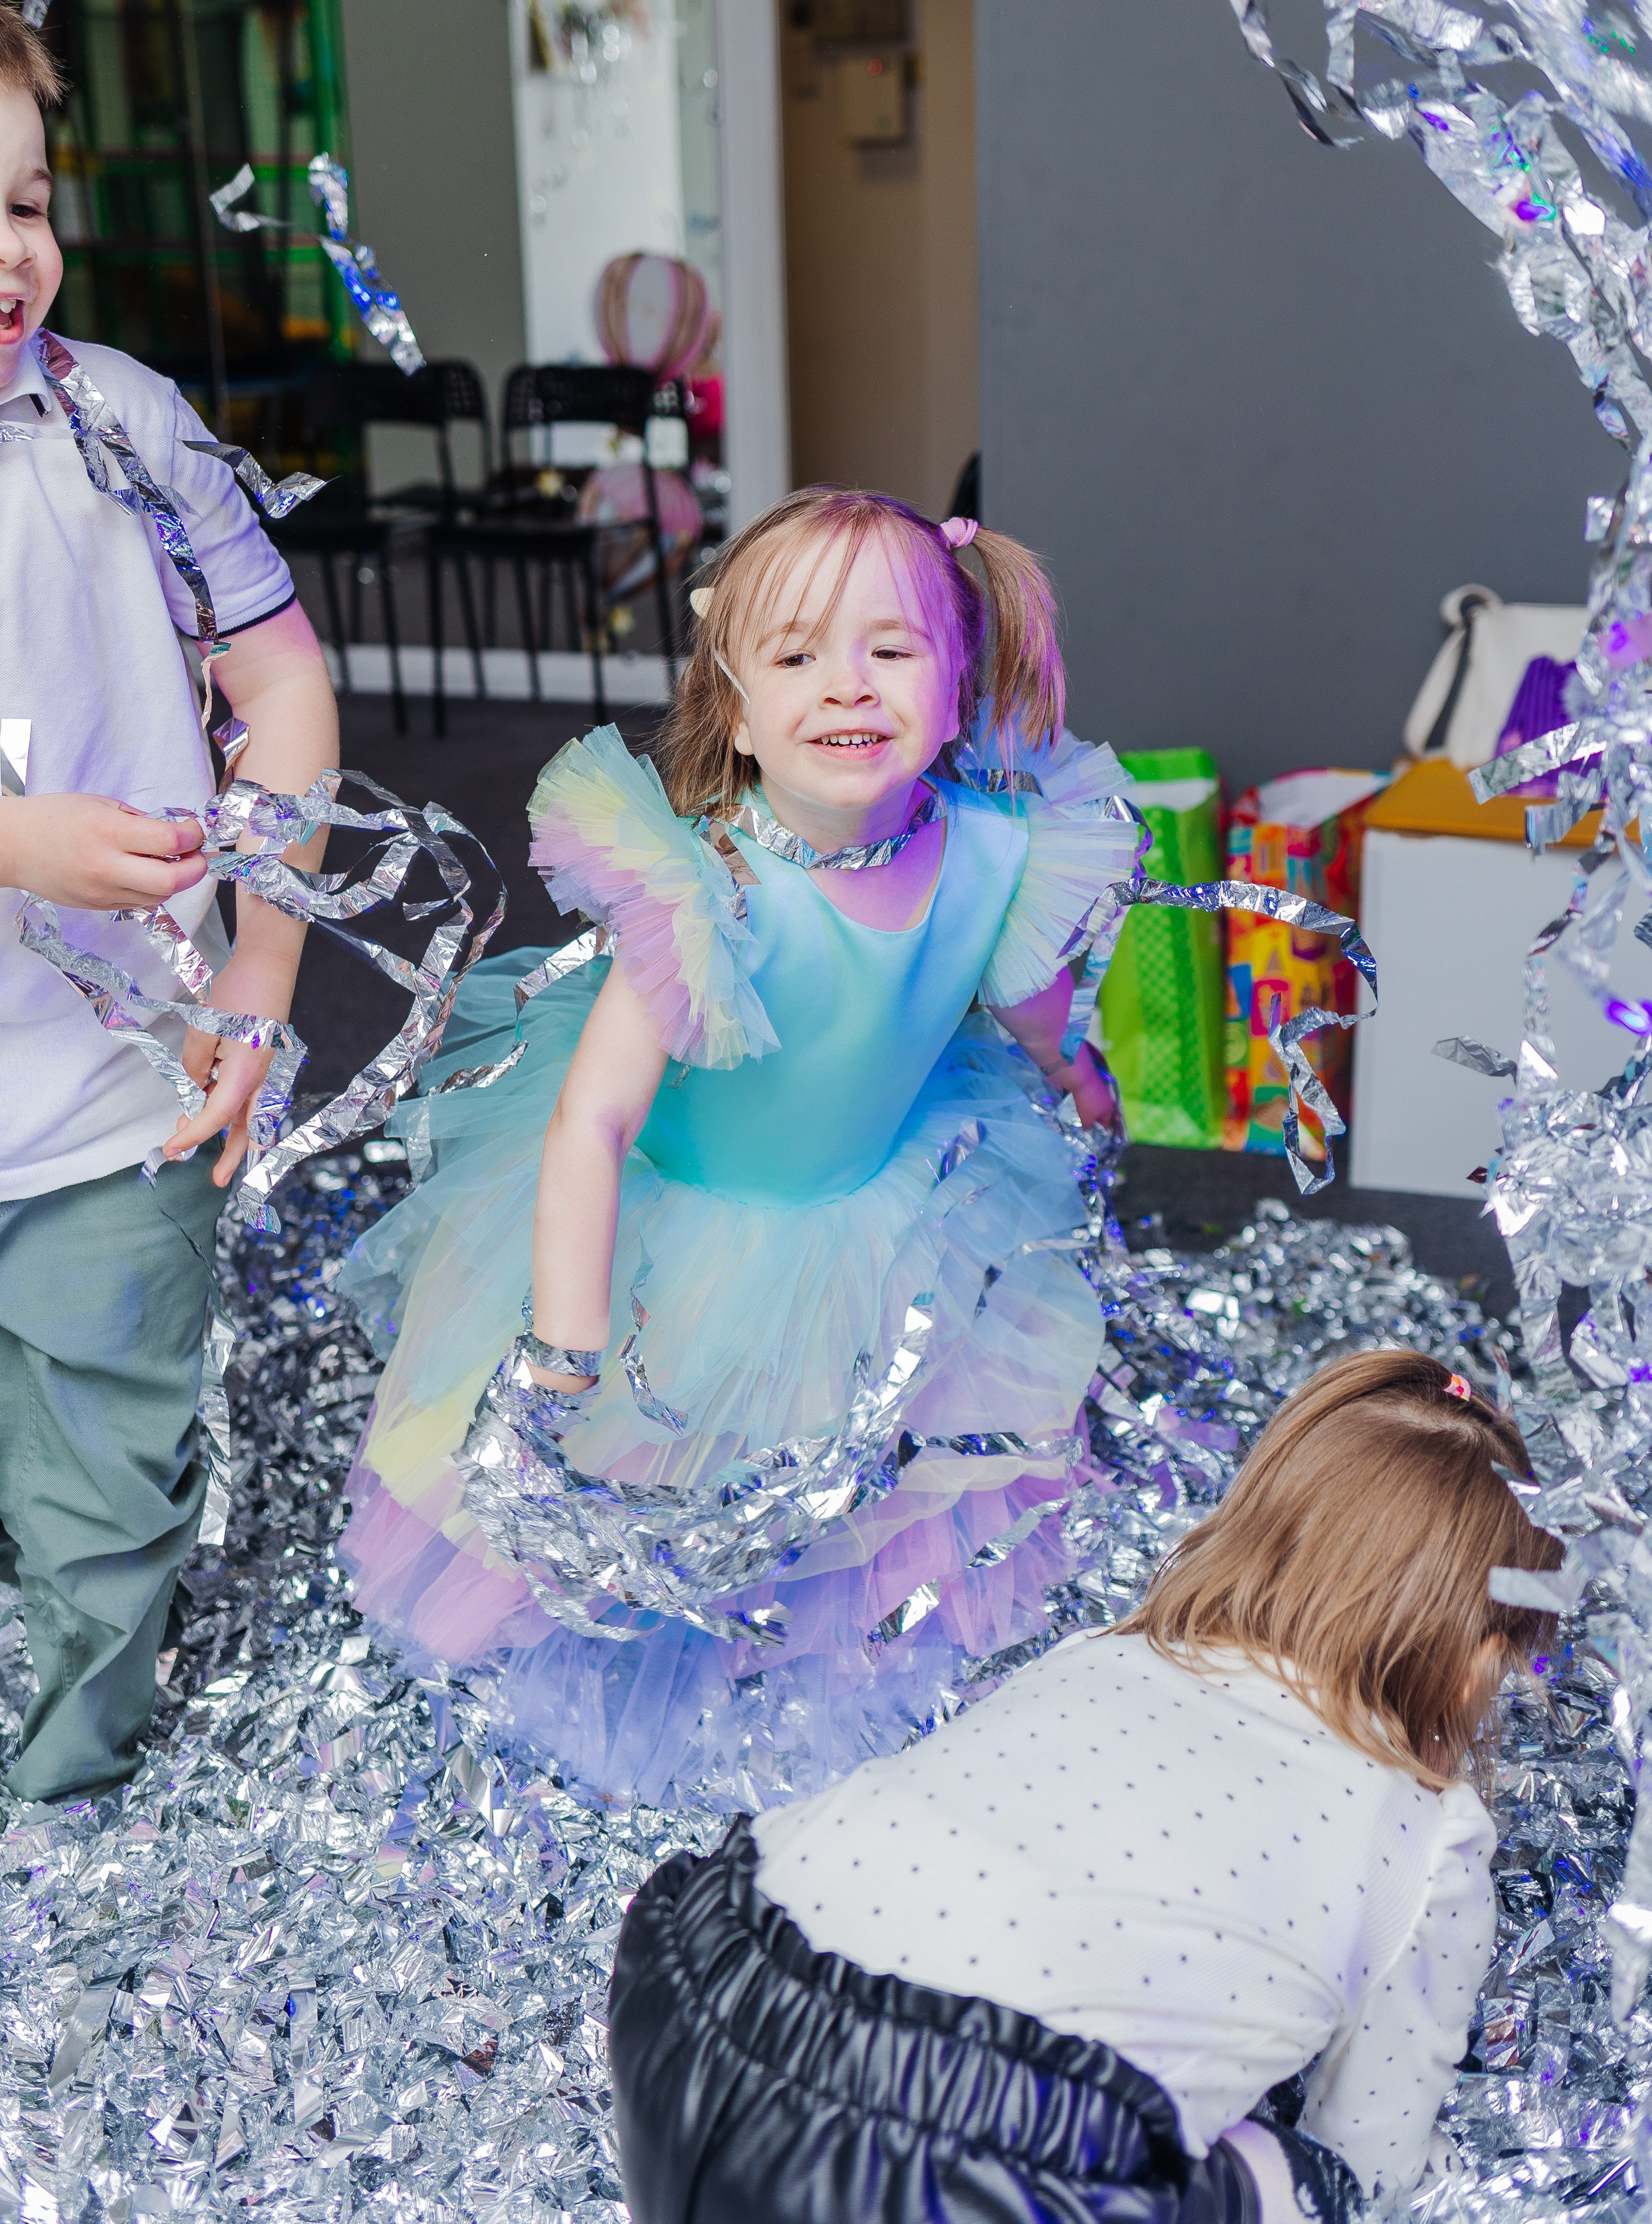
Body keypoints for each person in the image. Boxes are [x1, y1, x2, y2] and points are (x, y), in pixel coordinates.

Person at [338, 485, 1137, 1806]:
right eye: (795, 655)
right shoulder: (704, 892)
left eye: (890, 650)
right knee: (668, 1476)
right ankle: (647, 1692)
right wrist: (563, 1350)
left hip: (889, 1201)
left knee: (863, 1481)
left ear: (957, 684)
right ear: (737, 702)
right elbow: (590, 1125)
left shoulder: (999, 848)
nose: (846, 687)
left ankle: (817, 1690)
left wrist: (1075, 1075)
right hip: (681, 1232)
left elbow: (1025, 998)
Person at [607, 1347, 1562, 2224]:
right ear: (1479, 1653)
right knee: (1314, 2188)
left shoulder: (1112, 1651)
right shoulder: (1434, 1832)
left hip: (692, 2005)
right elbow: (1374, 2152)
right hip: (955, 2178)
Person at [0, 3, 338, 1806]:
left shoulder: (119, 419)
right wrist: (12, 843)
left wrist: (264, 961)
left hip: (120, 1091)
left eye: (28, 202)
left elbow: (283, 691)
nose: (11, 255)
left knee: (104, 1487)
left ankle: (65, 1800)